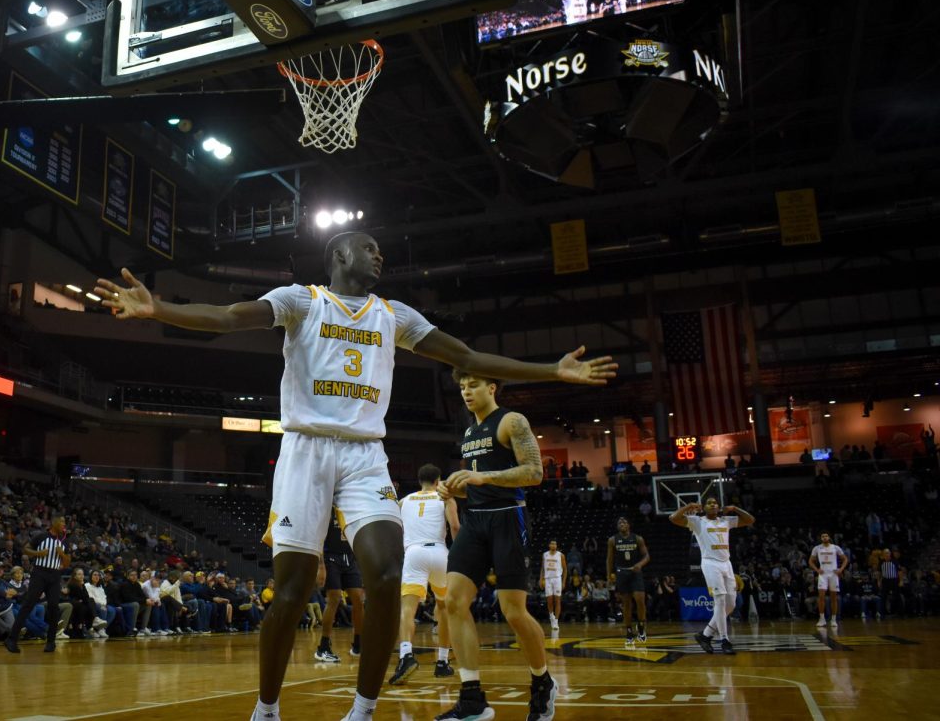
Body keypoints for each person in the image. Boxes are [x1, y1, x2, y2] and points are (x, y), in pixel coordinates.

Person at [97, 234, 615, 721]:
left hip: (366, 454)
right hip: (305, 451)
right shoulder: (302, 301)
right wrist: (158, 308)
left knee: (388, 574)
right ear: (340, 256)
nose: (379, 257)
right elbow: (231, 317)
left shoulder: (395, 315)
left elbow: (467, 356)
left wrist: (552, 371)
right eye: (368, 248)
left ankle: (364, 710)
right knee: (294, 589)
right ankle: (267, 708)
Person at [437, 371, 558, 721]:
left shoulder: (511, 421)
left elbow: (534, 473)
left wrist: (483, 477)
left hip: (508, 518)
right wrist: (453, 487)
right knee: (453, 600)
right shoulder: (469, 432)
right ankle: (473, 698)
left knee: (514, 611)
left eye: (472, 385)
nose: (466, 392)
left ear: (491, 387)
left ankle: (542, 682)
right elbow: (474, 484)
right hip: (475, 520)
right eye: (461, 386)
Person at [388, 463, 460, 684]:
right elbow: (456, 527)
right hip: (439, 552)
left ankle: (406, 656)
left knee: (408, 609)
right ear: (438, 481)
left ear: (420, 481)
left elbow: (393, 527)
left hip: (413, 553)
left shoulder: (404, 501)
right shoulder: (445, 498)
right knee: (443, 607)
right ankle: (442, 662)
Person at [669, 498, 754, 655]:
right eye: (709, 503)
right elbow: (673, 518)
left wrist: (735, 507)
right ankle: (724, 640)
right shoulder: (698, 521)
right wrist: (688, 506)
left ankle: (705, 635)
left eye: (715, 502)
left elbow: (750, 520)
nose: (713, 504)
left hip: (726, 563)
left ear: (719, 507)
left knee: (731, 605)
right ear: (704, 508)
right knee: (720, 600)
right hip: (710, 563)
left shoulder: (725, 521)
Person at [4, 514, 71, 653]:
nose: (64, 524)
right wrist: (38, 553)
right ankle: (11, 639)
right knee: (28, 604)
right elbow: (26, 549)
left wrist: (62, 555)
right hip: (39, 573)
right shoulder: (41, 536)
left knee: (54, 607)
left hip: (54, 575)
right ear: (54, 523)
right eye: (62, 521)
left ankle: (51, 642)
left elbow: (66, 563)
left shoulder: (64, 541)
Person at [314, 509, 364, 662]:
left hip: (349, 557)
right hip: (331, 557)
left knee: (358, 600)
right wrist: (321, 565)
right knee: (334, 599)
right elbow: (318, 537)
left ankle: (358, 644)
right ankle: (323, 647)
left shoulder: (351, 507)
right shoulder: (327, 508)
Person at [606, 517, 650, 648]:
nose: (622, 524)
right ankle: (629, 631)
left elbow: (647, 556)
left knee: (640, 599)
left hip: (635, 572)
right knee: (626, 604)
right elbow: (609, 559)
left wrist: (640, 564)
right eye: (619, 522)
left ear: (629, 525)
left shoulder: (638, 538)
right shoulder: (612, 540)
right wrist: (609, 576)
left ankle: (641, 625)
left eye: (624, 522)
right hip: (621, 573)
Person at [809, 531, 848, 628]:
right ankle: (822, 619)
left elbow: (845, 559)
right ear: (821, 538)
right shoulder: (817, 548)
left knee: (833, 597)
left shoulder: (835, 547)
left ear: (829, 537)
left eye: (826, 536)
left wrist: (841, 569)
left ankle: (833, 619)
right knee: (821, 596)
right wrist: (817, 569)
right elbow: (810, 561)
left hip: (833, 574)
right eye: (823, 536)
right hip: (823, 574)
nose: (825, 537)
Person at [541, 540, 567, 635]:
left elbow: (565, 570)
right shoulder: (545, 555)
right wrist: (541, 579)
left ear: (556, 545)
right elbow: (542, 568)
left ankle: (556, 621)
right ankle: (551, 616)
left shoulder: (561, 555)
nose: (553, 545)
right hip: (547, 579)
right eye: (551, 543)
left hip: (557, 579)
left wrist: (563, 582)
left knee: (557, 600)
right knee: (549, 600)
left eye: (555, 543)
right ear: (549, 545)